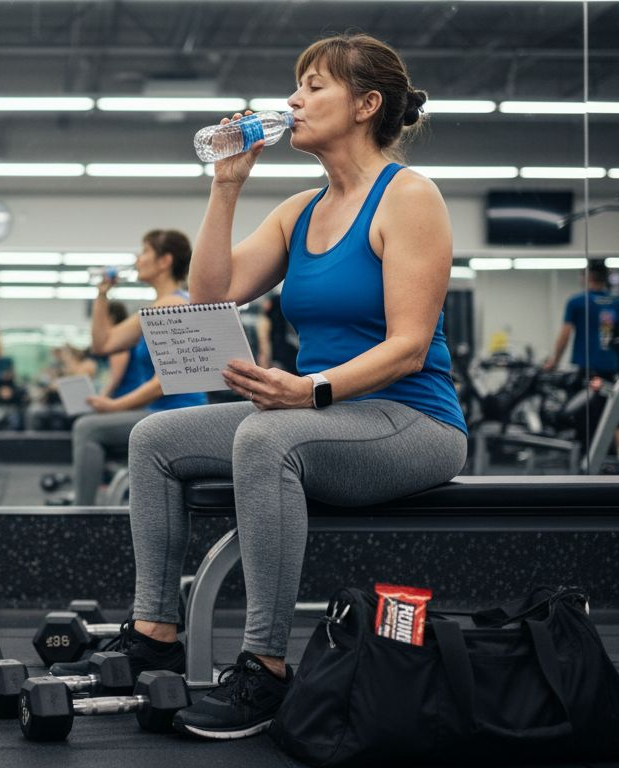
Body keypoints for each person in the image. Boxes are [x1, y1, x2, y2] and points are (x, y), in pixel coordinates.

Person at [48, 34, 468, 742]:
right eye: (295, 85)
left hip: (410, 421)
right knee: (154, 438)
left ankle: (265, 668)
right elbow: (210, 295)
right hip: (321, 415)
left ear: (366, 105)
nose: (293, 100)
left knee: (265, 436)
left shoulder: (410, 197)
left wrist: (310, 392)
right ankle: (154, 631)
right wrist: (227, 183)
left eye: (313, 86)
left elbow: (408, 347)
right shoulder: (300, 210)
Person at [53, 230, 209, 507]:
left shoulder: (173, 305)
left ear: (164, 261)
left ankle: (80, 519)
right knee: (88, 426)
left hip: (179, 415)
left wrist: (116, 406)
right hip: (160, 414)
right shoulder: (158, 306)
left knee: (87, 428)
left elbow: (164, 381)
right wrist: (102, 294)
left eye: (145, 251)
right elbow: (103, 344)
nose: (138, 258)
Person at [543, 260, 619, 460]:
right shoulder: (617, 303)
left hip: (587, 371)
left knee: (585, 418)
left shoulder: (577, 301)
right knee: (615, 412)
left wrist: (553, 362)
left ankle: (588, 459)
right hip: (612, 370)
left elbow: (565, 335)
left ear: (586, 277)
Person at [257, 287, 298, 372]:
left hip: (282, 352)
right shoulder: (282, 301)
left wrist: (264, 355)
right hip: (285, 350)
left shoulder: (276, 301)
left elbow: (263, 336)